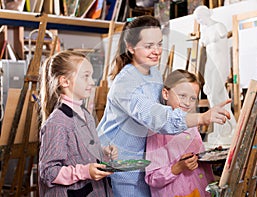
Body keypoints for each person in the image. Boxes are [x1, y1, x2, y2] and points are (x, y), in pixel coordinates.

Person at [97, 15, 231, 197]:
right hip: (125, 167)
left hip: (147, 162)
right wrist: (201, 117)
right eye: (148, 46)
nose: (157, 51)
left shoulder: (153, 73)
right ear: (130, 47)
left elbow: (166, 107)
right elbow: (156, 116)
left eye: (159, 44)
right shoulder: (125, 83)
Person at [38, 50, 117, 196]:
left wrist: (103, 153)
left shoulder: (86, 115)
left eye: (91, 76)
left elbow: (79, 154)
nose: (92, 82)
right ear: (65, 81)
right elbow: (48, 172)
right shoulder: (57, 123)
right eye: (85, 76)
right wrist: (85, 171)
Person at [145, 69, 214, 197]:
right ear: (166, 94)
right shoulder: (158, 130)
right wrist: (179, 167)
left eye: (192, 98)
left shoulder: (192, 125)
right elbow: (152, 177)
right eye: (182, 96)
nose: (187, 103)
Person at [194, 5, 236, 145]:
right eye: (197, 19)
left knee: (219, 94)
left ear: (206, 15)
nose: (199, 21)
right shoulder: (205, 30)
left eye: (200, 18)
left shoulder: (219, 27)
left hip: (220, 63)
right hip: (210, 64)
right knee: (211, 93)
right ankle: (220, 129)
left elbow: (223, 49)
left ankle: (228, 127)